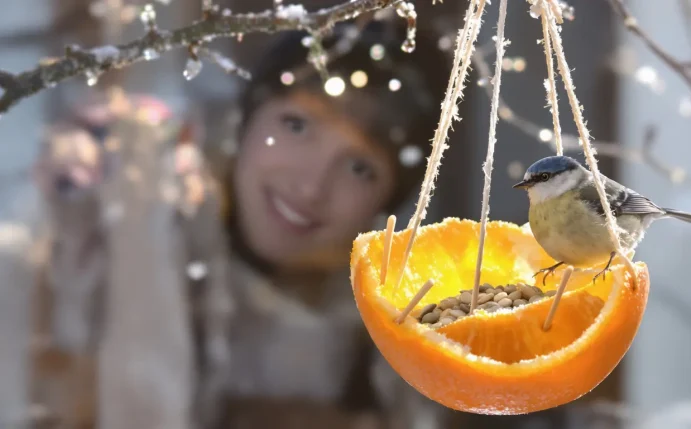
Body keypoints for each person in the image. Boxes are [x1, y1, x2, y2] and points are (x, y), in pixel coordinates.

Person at [29, 12, 456, 429]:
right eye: (296, 125)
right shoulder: (118, 247)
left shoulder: (394, 344)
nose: (310, 187)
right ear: (249, 119)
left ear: (387, 202)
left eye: (360, 168)